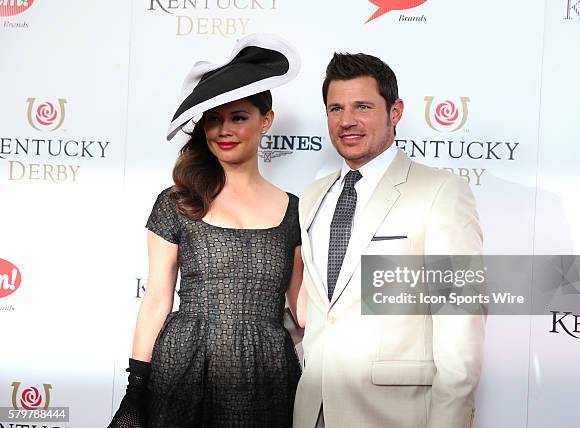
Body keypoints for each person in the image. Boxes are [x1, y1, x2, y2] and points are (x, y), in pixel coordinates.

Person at [108, 33, 305, 428]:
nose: (224, 130)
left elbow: (302, 311)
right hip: (184, 365)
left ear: (265, 120)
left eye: (238, 117)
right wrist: (135, 391)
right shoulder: (178, 200)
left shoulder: (295, 210)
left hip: (266, 372)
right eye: (213, 119)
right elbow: (156, 301)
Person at [293, 53, 485, 428]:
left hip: (396, 415)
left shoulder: (441, 192)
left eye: (362, 107)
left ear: (394, 111)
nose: (347, 121)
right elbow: (319, 310)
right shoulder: (313, 196)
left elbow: (460, 324)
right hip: (313, 410)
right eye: (336, 108)